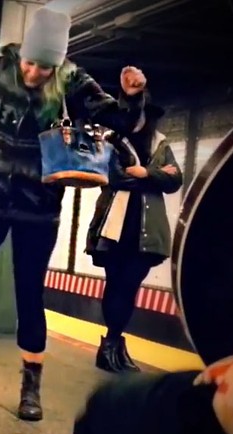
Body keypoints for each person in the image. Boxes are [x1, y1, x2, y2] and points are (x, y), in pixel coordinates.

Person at [0, 0, 149, 422]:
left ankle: (31, 387)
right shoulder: (0, 67)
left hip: (39, 206)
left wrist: (132, 97)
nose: (34, 73)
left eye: (45, 67)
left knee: (29, 292)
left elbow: (116, 119)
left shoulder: (72, 80)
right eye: (31, 63)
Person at [84, 99, 182, 373]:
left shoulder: (161, 144)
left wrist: (144, 172)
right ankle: (111, 345)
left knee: (129, 287)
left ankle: (112, 344)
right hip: (115, 229)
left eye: (141, 116)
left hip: (146, 232)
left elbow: (175, 181)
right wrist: (156, 176)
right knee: (116, 284)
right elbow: (115, 178)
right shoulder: (113, 141)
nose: (136, 121)